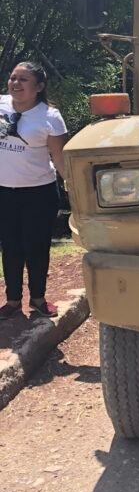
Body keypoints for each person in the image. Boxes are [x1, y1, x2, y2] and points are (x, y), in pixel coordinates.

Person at [0, 61, 67, 319]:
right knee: (11, 245)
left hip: (39, 192)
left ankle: (38, 299)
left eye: (23, 80)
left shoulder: (50, 117)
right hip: (5, 191)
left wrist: (75, 189)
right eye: (13, 78)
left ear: (38, 87)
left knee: (36, 247)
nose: (15, 83)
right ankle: (13, 300)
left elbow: (59, 158)